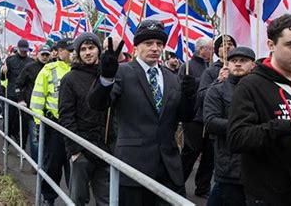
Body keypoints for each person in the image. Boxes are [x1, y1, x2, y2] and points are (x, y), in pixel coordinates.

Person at [87, 19, 197, 205]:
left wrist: (189, 96)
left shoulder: (171, 77)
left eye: (159, 44)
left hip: (169, 169)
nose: (155, 48)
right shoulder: (122, 72)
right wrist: (106, 78)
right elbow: (97, 103)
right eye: (148, 43)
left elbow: (184, 116)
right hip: (134, 167)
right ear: (136, 46)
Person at [228, 14, 291, 206]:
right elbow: (237, 137)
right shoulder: (249, 86)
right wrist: (287, 127)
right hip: (273, 197)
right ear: (271, 45)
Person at [59, 33, 110, 206]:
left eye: (91, 48)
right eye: (83, 49)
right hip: (81, 149)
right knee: (79, 199)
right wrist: (75, 151)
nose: (88, 52)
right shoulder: (70, 79)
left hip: (105, 149)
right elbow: (66, 116)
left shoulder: (108, 76)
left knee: (107, 199)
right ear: (78, 53)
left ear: (98, 50)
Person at [203, 47, 256, 206]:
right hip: (229, 165)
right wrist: (245, 129)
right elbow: (211, 121)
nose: (238, 64)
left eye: (243, 61)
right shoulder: (217, 90)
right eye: (234, 61)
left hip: (256, 166)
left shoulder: (260, 89)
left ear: (252, 64)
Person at [30, 38, 74, 206]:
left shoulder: (81, 69)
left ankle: (76, 198)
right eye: (68, 50)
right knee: (53, 165)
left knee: (74, 167)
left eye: (73, 50)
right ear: (59, 51)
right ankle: (49, 198)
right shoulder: (48, 70)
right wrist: (39, 122)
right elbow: (37, 99)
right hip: (54, 125)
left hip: (74, 127)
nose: (72, 53)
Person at [178, 37, 214, 198]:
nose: (213, 52)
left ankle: (203, 188)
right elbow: (183, 89)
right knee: (191, 152)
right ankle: (177, 183)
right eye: (210, 49)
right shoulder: (187, 66)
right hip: (193, 117)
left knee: (209, 154)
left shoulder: (212, 67)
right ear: (201, 49)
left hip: (208, 116)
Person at [16, 44, 51, 166]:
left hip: (50, 110)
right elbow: (18, 85)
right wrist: (21, 100)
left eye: (47, 54)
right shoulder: (29, 67)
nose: (45, 57)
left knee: (48, 139)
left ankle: (45, 163)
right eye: (43, 54)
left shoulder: (53, 68)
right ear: (37, 55)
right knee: (35, 139)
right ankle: (36, 164)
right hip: (33, 109)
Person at [0, 39, 34, 141]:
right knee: (9, 118)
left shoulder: (31, 62)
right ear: (17, 48)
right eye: (22, 50)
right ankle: (6, 139)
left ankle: (18, 137)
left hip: (25, 95)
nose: (24, 52)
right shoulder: (9, 60)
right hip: (11, 93)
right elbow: (3, 78)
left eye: (25, 50)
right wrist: (3, 72)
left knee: (23, 121)